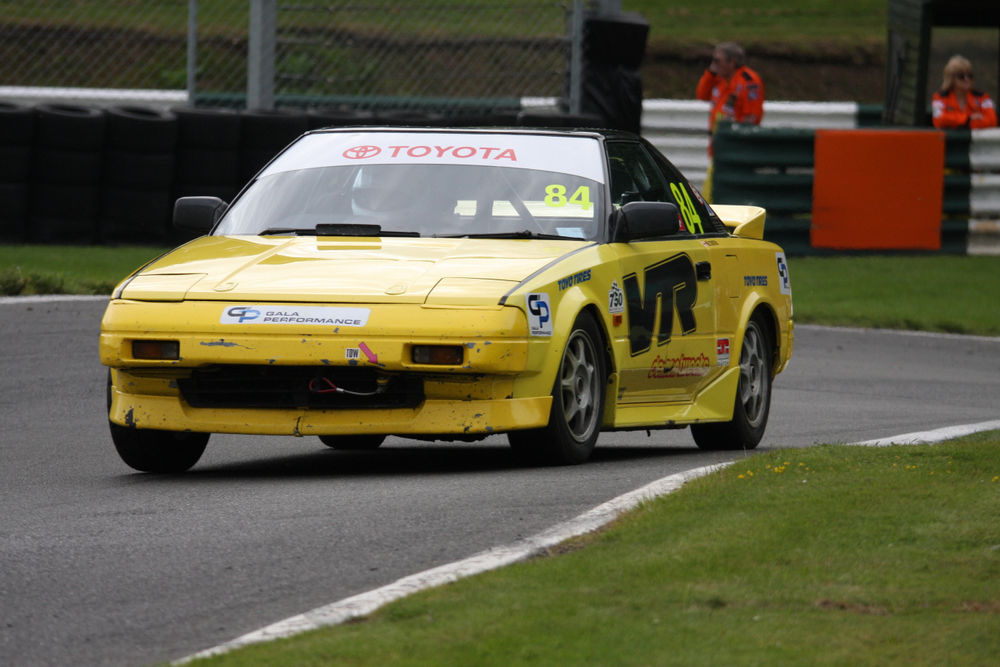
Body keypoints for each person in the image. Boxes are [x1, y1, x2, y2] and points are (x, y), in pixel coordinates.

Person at [695, 42, 765, 201]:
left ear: (732, 62)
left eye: (717, 60)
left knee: (726, 195)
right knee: (712, 195)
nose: (714, 64)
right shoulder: (719, 79)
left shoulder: (748, 81)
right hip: (719, 146)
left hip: (738, 149)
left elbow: (751, 118)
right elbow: (702, 94)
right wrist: (710, 73)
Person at [931, 55, 997, 129]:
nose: (967, 79)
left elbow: (992, 121)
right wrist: (967, 118)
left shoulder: (982, 97)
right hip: (949, 140)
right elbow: (939, 120)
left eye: (970, 75)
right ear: (951, 79)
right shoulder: (940, 97)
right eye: (961, 76)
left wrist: (956, 122)